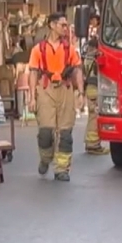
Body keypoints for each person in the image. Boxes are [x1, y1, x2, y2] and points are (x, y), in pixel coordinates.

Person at [28, 13, 85, 181]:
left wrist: (80, 93)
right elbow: (33, 73)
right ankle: (45, 158)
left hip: (65, 89)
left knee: (65, 133)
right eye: (62, 25)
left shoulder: (70, 50)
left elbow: (78, 70)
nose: (65, 28)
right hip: (45, 89)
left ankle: (62, 169)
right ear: (52, 25)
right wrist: (31, 97)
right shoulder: (38, 50)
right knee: (45, 131)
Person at [83, 17, 108, 155]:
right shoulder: (95, 59)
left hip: (89, 88)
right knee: (94, 116)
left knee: (91, 116)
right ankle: (93, 144)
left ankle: (90, 142)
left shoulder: (87, 58)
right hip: (94, 88)